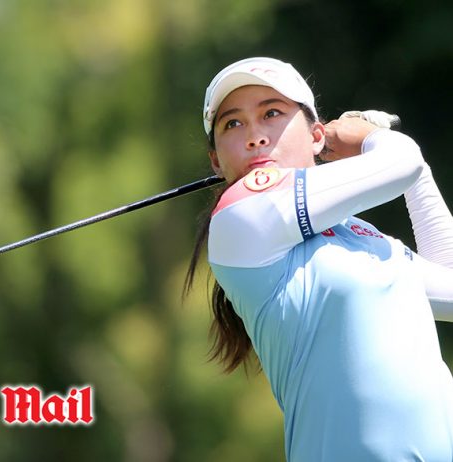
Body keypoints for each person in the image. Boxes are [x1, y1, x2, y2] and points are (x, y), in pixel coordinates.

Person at [185, 57, 453, 461]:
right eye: (233, 124)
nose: (254, 137)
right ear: (216, 161)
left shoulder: (361, 236)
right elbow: (401, 163)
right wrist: (370, 139)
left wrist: (418, 173)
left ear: (316, 136)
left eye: (271, 113)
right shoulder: (239, 217)